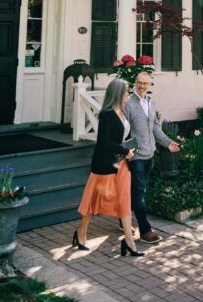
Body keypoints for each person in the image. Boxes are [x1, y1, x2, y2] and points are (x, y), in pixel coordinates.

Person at [73, 79, 144, 257]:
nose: (128, 95)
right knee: (92, 200)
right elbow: (103, 141)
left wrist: (128, 149)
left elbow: (120, 136)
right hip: (105, 163)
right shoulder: (107, 114)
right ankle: (81, 232)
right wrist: (124, 150)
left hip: (121, 164)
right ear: (118, 93)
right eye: (126, 92)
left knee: (124, 199)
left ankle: (129, 241)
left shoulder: (121, 112)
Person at [125, 72, 180, 243]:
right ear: (135, 83)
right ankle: (145, 231)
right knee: (139, 193)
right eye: (139, 82)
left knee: (137, 191)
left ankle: (122, 218)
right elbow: (122, 129)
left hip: (150, 155)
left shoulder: (150, 103)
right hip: (136, 157)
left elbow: (156, 128)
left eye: (145, 83)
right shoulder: (128, 103)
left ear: (150, 86)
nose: (142, 86)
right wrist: (126, 150)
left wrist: (168, 143)